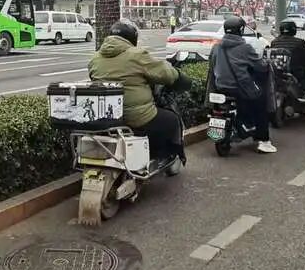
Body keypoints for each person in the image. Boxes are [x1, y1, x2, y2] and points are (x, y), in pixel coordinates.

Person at [88, 20, 190, 165]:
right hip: (137, 117)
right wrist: (181, 78)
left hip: (108, 118)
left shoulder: (95, 58)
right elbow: (166, 73)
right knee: (171, 120)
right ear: (132, 38)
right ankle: (160, 156)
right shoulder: (137, 55)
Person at [208, 16, 277, 154]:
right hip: (239, 89)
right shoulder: (245, 48)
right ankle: (263, 141)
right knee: (261, 103)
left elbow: (212, 66)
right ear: (240, 31)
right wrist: (267, 63)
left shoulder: (216, 47)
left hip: (220, 87)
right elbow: (261, 66)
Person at [270, 20, 305, 98]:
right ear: (294, 30)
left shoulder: (274, 42)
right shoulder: (300, 42)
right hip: (295, 72)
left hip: (278, 72)